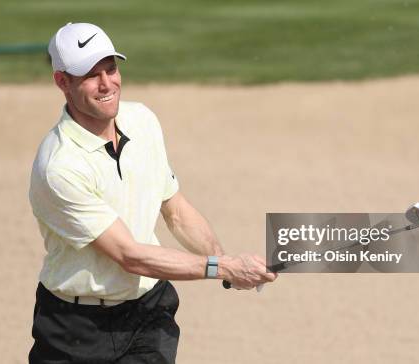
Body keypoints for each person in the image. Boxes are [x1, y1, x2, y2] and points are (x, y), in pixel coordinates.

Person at [28, 22, 277, 364]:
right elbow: (129, 255)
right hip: (76, 330)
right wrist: (225, 268)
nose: (107, 84)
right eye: (90, 75)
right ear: (62, 81)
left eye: (111, 69)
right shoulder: (58, 165)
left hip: (148, 312)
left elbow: (174, 208)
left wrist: (226, 261)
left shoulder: (142, 120)